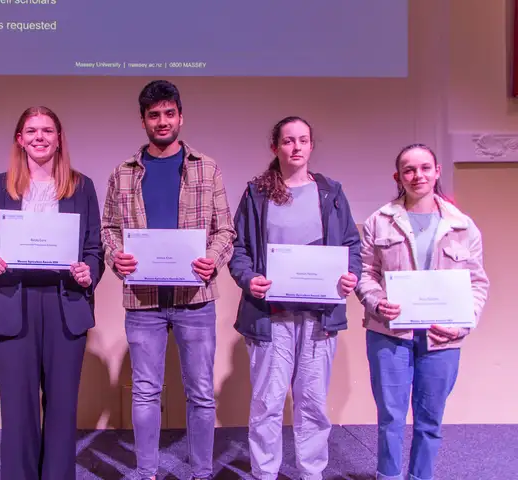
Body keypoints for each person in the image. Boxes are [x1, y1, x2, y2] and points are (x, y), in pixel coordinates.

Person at [100, 79, 236, 480]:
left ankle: (201, 473)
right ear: (142, 120)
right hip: (143, 300)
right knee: (145, 392)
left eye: (169, 113)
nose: (162, 121)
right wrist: (115, 257)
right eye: (154, 115)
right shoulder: (122, 173)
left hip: (195, 297)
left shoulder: (207, 168)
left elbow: (225, 230)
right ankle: (147, 473)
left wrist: (212, 260)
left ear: (181, 116)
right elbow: (108, 229)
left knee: (201, 394)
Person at [0, 106, 104, 480]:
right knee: (18, 408)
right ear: (20, 139)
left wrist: (87, 270)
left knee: (62, 409)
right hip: (14, 302)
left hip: (65, 304)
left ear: (59, 138)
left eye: (48, 130)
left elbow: (94, 248)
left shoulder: (82, 186)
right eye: (31, 131)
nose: (40, 137)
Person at [228, 116, 362, 480]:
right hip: (270, 317)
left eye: (303, 140)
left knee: (313, 404)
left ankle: (310, 473)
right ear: (275, 147)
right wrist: (249, 278)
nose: (296, 147)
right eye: (288, 141)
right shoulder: (257, 193)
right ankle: (265, 473)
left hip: (319, 317)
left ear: (311, 146)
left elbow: (351, 245)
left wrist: (352, 276)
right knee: (267, 403)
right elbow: (237, 248)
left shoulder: (331, 192)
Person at [355, 143, 489, 480]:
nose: (418, 176)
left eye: (425, 168)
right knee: (391, 419)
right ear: (398, 176)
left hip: (442, 338)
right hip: (389, 334)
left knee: (430, 421)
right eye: (409, 170)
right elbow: (365, 273)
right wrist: (375, 301)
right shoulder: (379, 221)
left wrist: (463, 326)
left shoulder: (463, 226)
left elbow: (477, 283)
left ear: (437, 171)